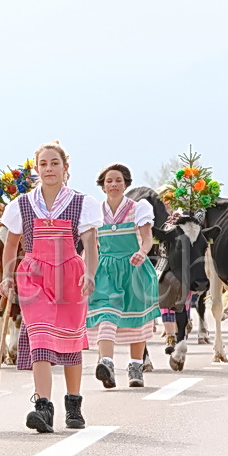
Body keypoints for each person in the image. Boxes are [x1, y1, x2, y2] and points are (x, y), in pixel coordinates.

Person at [0, 141, 102, 433]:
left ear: (65, 168)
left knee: (70, 340)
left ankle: (74, 404)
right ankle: (43, 406)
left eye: (54, 163)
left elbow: (91, 245)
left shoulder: (82, 203)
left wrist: (90, 274)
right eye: (43, 164)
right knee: (40, 337)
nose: (49, 169)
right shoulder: (22, 204)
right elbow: (11, 244)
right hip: (33, 275)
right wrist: (7, 276)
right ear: (36, 169)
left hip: (70, 274)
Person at [87, 164, 159, 388]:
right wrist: (85, 271)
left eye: (118, 180)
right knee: (105, 316)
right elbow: (90, 245)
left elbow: (147, 239)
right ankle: (106, 363)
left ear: (126, 183)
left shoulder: (139, 208)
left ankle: (136, 365)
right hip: (106, 269)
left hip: (133, 268)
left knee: (135, 319)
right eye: (109, 181)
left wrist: (141, 252)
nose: (113, 184)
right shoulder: (95, 211)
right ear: (103, 185)